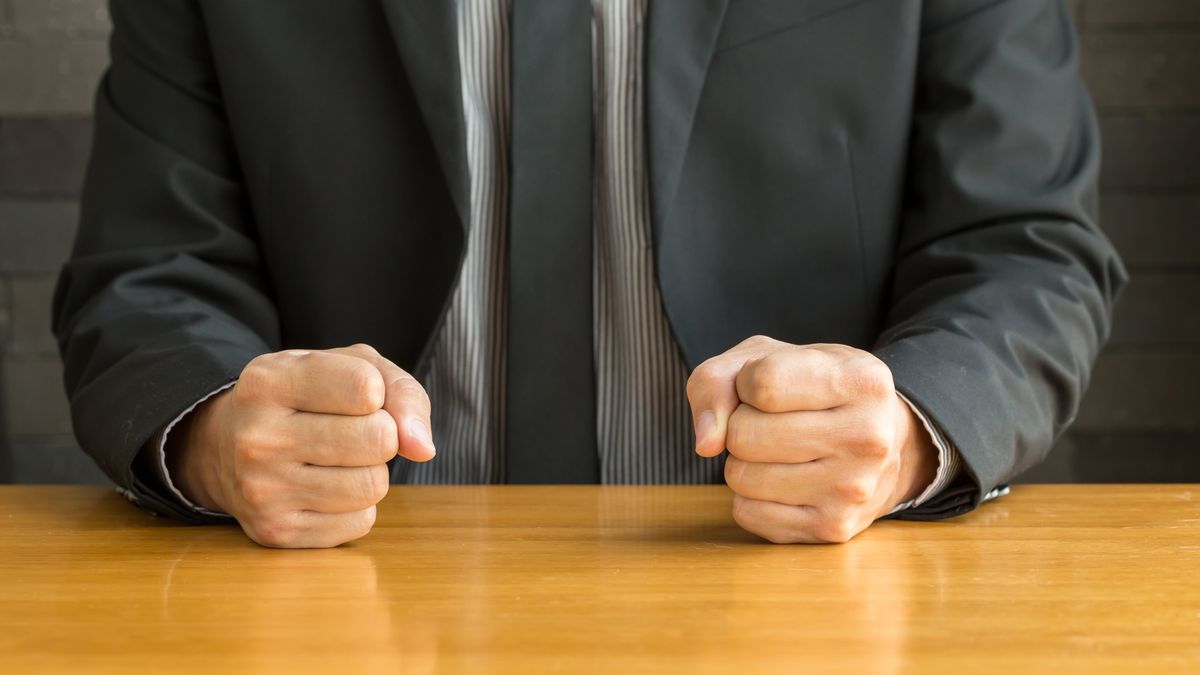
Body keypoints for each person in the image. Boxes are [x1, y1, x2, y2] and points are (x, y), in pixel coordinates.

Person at [52, 0, 1125, 548]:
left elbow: (1026, 248)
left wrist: (904, 439)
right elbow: (148, 269)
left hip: (806, 598)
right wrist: (212, 439)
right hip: (341, 605)